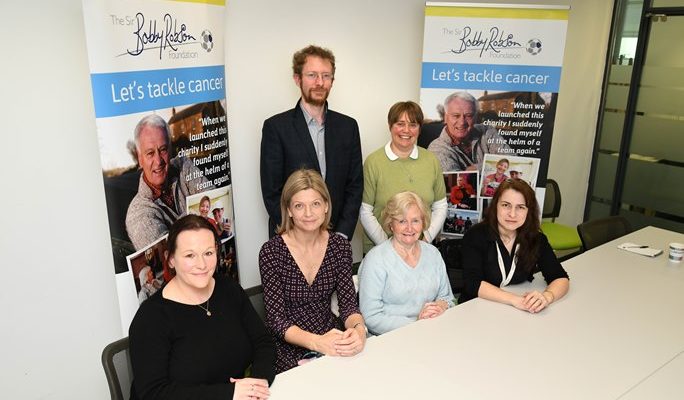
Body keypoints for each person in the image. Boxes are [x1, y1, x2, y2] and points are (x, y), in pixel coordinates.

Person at [129, 215, 275, 400]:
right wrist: (229, 394)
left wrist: (257, 385)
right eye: (190, 255)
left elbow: (263, 343)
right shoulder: (151, 318)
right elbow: (153, 393)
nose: (202, 264)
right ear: (171, 259)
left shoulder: (228, 289)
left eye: (208, 253)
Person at [259, 169, 366, 373]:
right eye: (299, 206)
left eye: (315, 204)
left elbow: (348, 306)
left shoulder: (339, 247)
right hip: (287, 347)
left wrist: (359, 330)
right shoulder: (271, 252)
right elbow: (276, 320)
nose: (308, 214)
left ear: (326, 206)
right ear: (288, 210)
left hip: (330, 336)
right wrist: (317, 343)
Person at [260, 45, 363, 240]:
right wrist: (296, 236)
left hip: (336, 238)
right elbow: (272, 193)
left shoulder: (348, 127)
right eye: (312, 75)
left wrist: (341, 235)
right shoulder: (276, 128)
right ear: (297, 79)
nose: (320, 82)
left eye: (326, 76)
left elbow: (354, 187)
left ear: (332, 81)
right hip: (290, 239)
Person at [460, 179, 570, 312]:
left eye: (520, 207)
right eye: (506, 205)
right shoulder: (476, 235)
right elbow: (472, 283)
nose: (512, 214)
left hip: (515, 313)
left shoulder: (536, 239)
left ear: (529, 211)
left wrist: (546, 297)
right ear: (496, 206)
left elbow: (560, 277)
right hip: (476, 309)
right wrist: (515, 300)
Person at [359, 191, 455, 335]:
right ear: (391, 224)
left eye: (415, 220)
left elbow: (448, 298)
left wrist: (441, 306)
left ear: (423, 222)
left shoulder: (433, 254)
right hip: (390, 340)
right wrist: (417, 323)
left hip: (431, 332)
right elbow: (371, 317)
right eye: (402, 221)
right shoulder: (375, 260)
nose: (409, 228)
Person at [360, 101, 447, 253]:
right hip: (380, 250)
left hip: (420, 251)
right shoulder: (373, 162)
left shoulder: (431, 160)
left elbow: (440, 206)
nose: (406, 130)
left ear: (420, 129)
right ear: (390, 126)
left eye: (413, 125)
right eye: (400, 124)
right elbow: (365, 210)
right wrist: (389, 246)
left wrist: (425, 239)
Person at [126, 114, 212, 250]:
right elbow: (170, 255)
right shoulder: (137, 215)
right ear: (140, 158)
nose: (158, 161)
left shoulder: (183, 165)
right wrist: (201, 215)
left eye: (163, 150)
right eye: (150, 153)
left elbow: (213, 200)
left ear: (170, 149)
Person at [428, 92, 512, 172]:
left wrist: (475, 169)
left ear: (475, 117)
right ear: (445, 118)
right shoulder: (436, 149)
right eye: (456, 116)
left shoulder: (488, 132)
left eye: (468, 116)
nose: (462, 122)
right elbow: (456, 183)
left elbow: (512, 160)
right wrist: (494, 166)